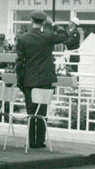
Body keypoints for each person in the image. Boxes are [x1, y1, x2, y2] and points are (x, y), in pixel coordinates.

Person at [15, 10, 70, 149]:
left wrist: (20, 80)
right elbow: (65, 35)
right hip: (45, 78)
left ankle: (30, 140)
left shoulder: (23, 38)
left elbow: (19, 62)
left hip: (29, 78)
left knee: (30, 111)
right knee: (42, 111)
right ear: (44, 22)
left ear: (31, 21)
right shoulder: (48, 36)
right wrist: (54, 24)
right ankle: (39, 141)